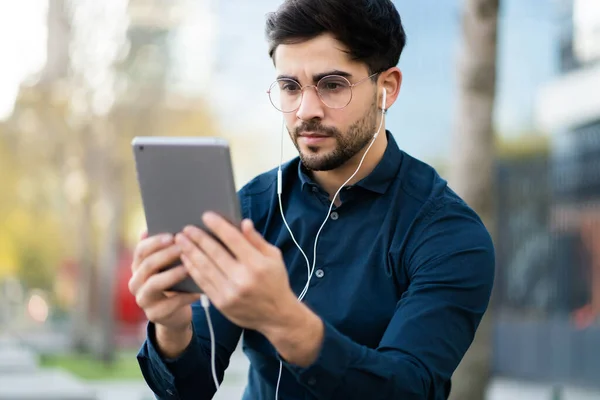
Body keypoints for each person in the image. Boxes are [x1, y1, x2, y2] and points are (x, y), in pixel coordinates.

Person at [129, 0, 495, 399]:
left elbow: (408, 388)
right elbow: (191, 388)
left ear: (386, 88)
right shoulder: (251, 209)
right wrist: (172, 326)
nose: (306, 111)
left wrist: (284, 319)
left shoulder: (447, 234)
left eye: (332, 85)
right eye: (290, 87)